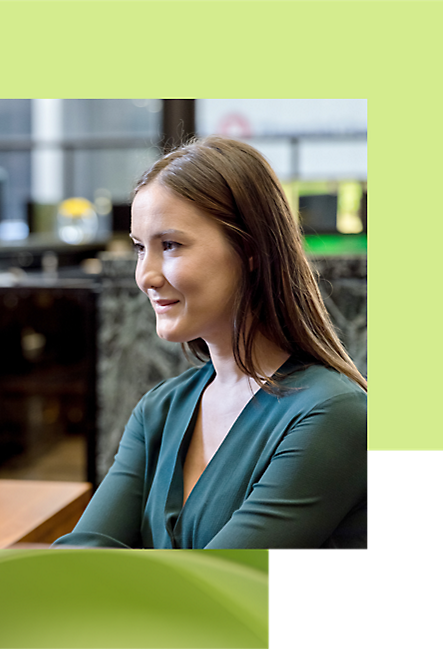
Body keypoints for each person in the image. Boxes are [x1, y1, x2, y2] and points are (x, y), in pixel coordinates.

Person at [54, 136, 367, 550]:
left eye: (170, 245)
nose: (145, 276)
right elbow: (82, 558)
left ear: (250, 250)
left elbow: (215, 588)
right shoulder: (161, 410)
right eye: (138, 249)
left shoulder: (333, 414)